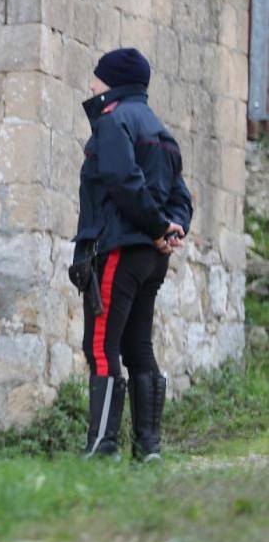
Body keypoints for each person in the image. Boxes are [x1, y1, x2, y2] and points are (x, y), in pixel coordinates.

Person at [72, 47, 192, 462]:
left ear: (116, 83)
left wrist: (159, 228)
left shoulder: (112, 122)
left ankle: (102, 448)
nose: (91, 86)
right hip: (152, 257)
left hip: (120, 250)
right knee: (138, 346)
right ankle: (149, 449)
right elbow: (182, 197)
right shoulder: (161, 129)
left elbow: (123, 182)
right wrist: (171, 229)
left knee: (102, 346)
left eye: (97, 79)